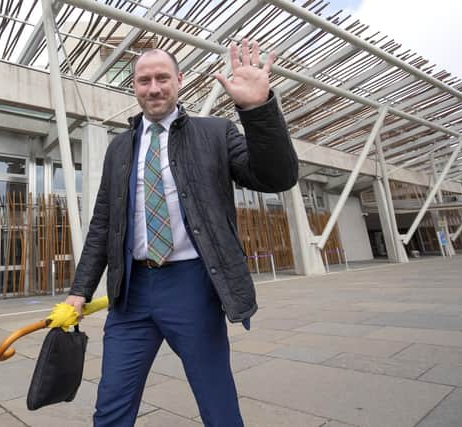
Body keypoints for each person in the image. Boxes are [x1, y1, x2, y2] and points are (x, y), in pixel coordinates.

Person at [65, 39, 298, 426]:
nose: (153, 88)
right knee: (111, 407)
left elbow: (277, 176)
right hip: (130, 293)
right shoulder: (119, 149)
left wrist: (257, 109)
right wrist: (79, 291)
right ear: (134, 86)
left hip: (193, 287)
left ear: (180, 80)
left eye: (162, 78)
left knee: (217, 403)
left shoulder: (216, 133)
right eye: (143, 80)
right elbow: (102, 224)